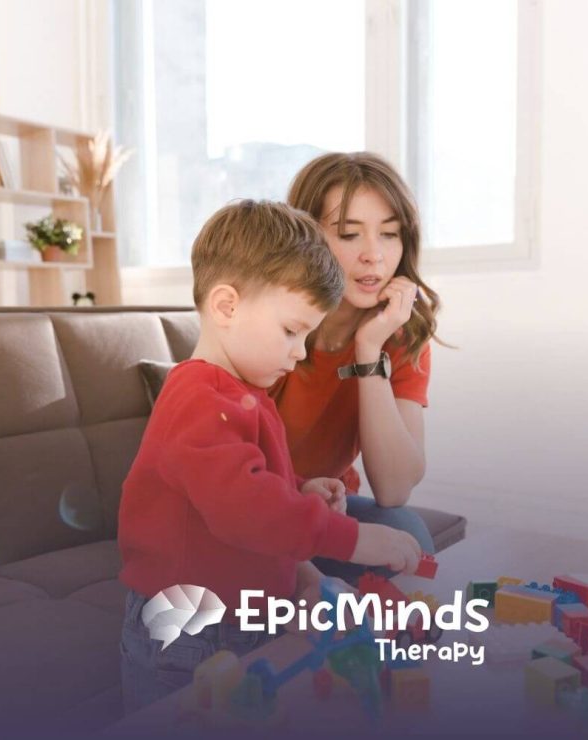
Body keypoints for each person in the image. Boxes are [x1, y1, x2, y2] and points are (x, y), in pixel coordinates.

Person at [117, 200, 422, 715]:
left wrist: (298, 487)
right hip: (191, 628)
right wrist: (357, 540)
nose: (300, 351)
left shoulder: (239, 391)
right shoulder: (199, 398)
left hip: (236, 618)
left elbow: (241, 481)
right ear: (226, 307)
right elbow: (246, 511)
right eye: (290, 331)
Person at [270, 153, 443, 582]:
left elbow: (394, 488)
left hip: (322, 511)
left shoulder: (400, 334)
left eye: (389, 234)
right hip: (255, 509)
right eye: (349, 234)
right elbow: (230, 480)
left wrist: (369, 352)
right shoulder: (273, 326)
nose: (374, 256)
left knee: (408, 534)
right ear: (306, 240)